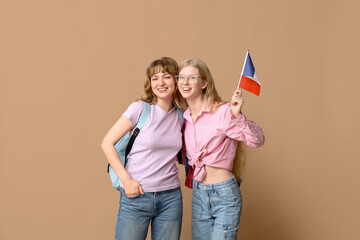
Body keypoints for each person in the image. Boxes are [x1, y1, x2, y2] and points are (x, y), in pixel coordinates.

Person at [177, 58, 265, 240]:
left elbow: (258, 140)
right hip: (199, 192)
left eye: (192, 77)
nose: (185, 82)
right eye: (181, 77)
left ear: (204, 83)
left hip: (224, 194)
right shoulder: (184, 117)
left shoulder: (223, 111)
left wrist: (238, 116)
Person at [101, 57, 186, 240]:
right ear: (150, 83)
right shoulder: (139, 109)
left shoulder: (181, 115)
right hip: (137, 197)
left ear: (176, 80)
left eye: (166, 77)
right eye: (155, 78)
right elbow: (107, 143)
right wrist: (126, 180)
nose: (161, 82)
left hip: (171, 199)